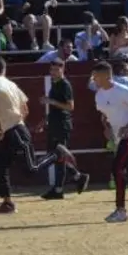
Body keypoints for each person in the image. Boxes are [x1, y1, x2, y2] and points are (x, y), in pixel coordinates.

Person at [0, 57, 74, 214]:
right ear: (4, 69)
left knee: (31, 169)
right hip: (14, 130)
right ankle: (7, 203)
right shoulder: (11, 84)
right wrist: (13, 125)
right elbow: (25, 109)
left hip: (14, 131)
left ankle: (57, 154)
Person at [91, 61, 128, 223]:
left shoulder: (122, 90)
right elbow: (105, 114)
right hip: (121, 136)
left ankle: (121, 210)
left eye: (96, 76)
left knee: (118, 168)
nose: (93, 79)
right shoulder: (99, 95)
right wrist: (107, 127)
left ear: (106, 76)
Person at [39, 58, 90, 199]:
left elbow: (70, 106)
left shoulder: (64, 85)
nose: (53, 72)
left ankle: (59, 188)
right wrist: (45, 120)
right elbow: (56, 108)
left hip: (62, 125)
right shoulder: (55, 84)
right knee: (55, 155)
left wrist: (51, 101)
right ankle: (77, 177)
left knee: (58, 156)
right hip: (55, 123)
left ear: (63, 69)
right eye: (52, 70)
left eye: (57, 70)